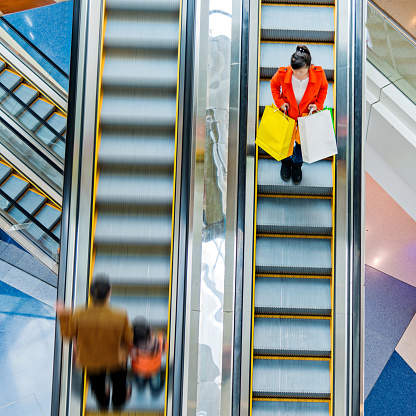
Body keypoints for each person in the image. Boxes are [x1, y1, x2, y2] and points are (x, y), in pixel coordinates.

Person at [56, 276, 133, 410]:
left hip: (90, 359)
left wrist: (63, 316)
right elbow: (128, 338)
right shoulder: (120, 315)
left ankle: (103, 402)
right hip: (116, 359)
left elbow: (67, 335)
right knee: (119, 382)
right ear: (109, 293)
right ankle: (118, 402)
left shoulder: (79, 314)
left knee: (97, 384)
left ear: (91, 294)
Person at [270, 45, 328, 184]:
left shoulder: (319, 74)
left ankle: (297, 165)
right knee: (286, 141)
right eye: (294, 71)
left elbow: (324, 88)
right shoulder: (284, 73)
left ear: (308, 66)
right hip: (288, 114)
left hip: (306, 117)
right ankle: (286, 162)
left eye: (300, 71)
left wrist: (318, 105)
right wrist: (279, 102)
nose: (296, 74)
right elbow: (273, 84)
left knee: (301, 145)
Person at [130, 318, 166, 391]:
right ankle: (154, 389)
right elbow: (164, 352)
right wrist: (160, 334)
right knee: (155, 383)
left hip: (139, 369)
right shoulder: (159, 341)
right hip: (154, 369)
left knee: (140, 380)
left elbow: (129, 353)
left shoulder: (131, 344)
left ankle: (141, 386)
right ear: (150, 332)